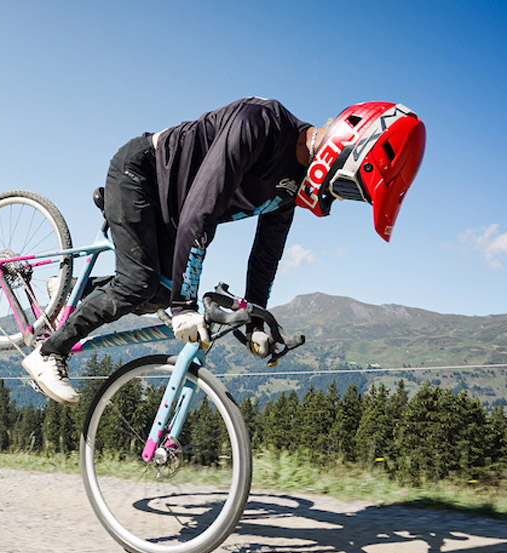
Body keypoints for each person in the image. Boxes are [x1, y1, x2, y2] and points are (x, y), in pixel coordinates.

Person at [21, 97, 427, 405]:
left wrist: (255, 321)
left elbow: (266, 257)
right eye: (348, 187)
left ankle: (74, 288)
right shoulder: (260, 124)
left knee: (157, 292)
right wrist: (185, 306)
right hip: (140, 173)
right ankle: (48, 353)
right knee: (141, 283)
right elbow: (202, 211)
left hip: (171, 211)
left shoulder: (290, 189)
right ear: (345, 146)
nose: (337, 197)